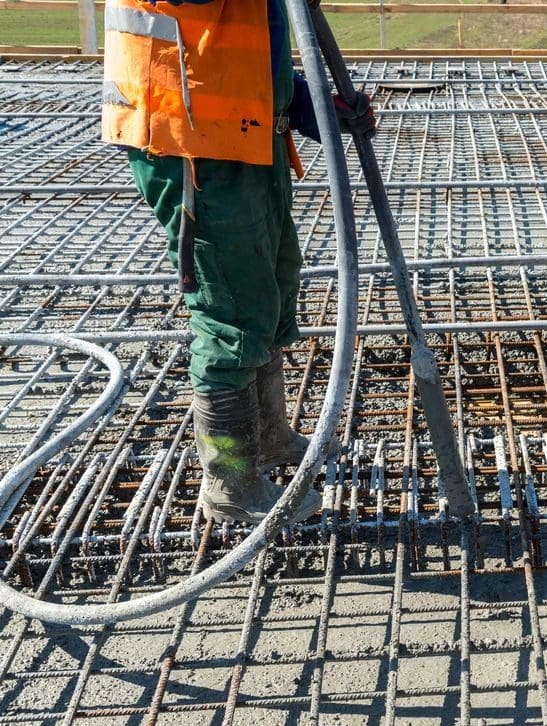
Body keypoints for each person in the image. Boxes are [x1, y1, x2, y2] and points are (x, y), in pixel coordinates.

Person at [101, 0, 373, 525]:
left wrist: (302, 101)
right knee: (231, 314)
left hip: (245, 137)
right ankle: (231, 480)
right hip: (191, 144)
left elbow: (233, 41)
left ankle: (266, 437)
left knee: (271, 291)